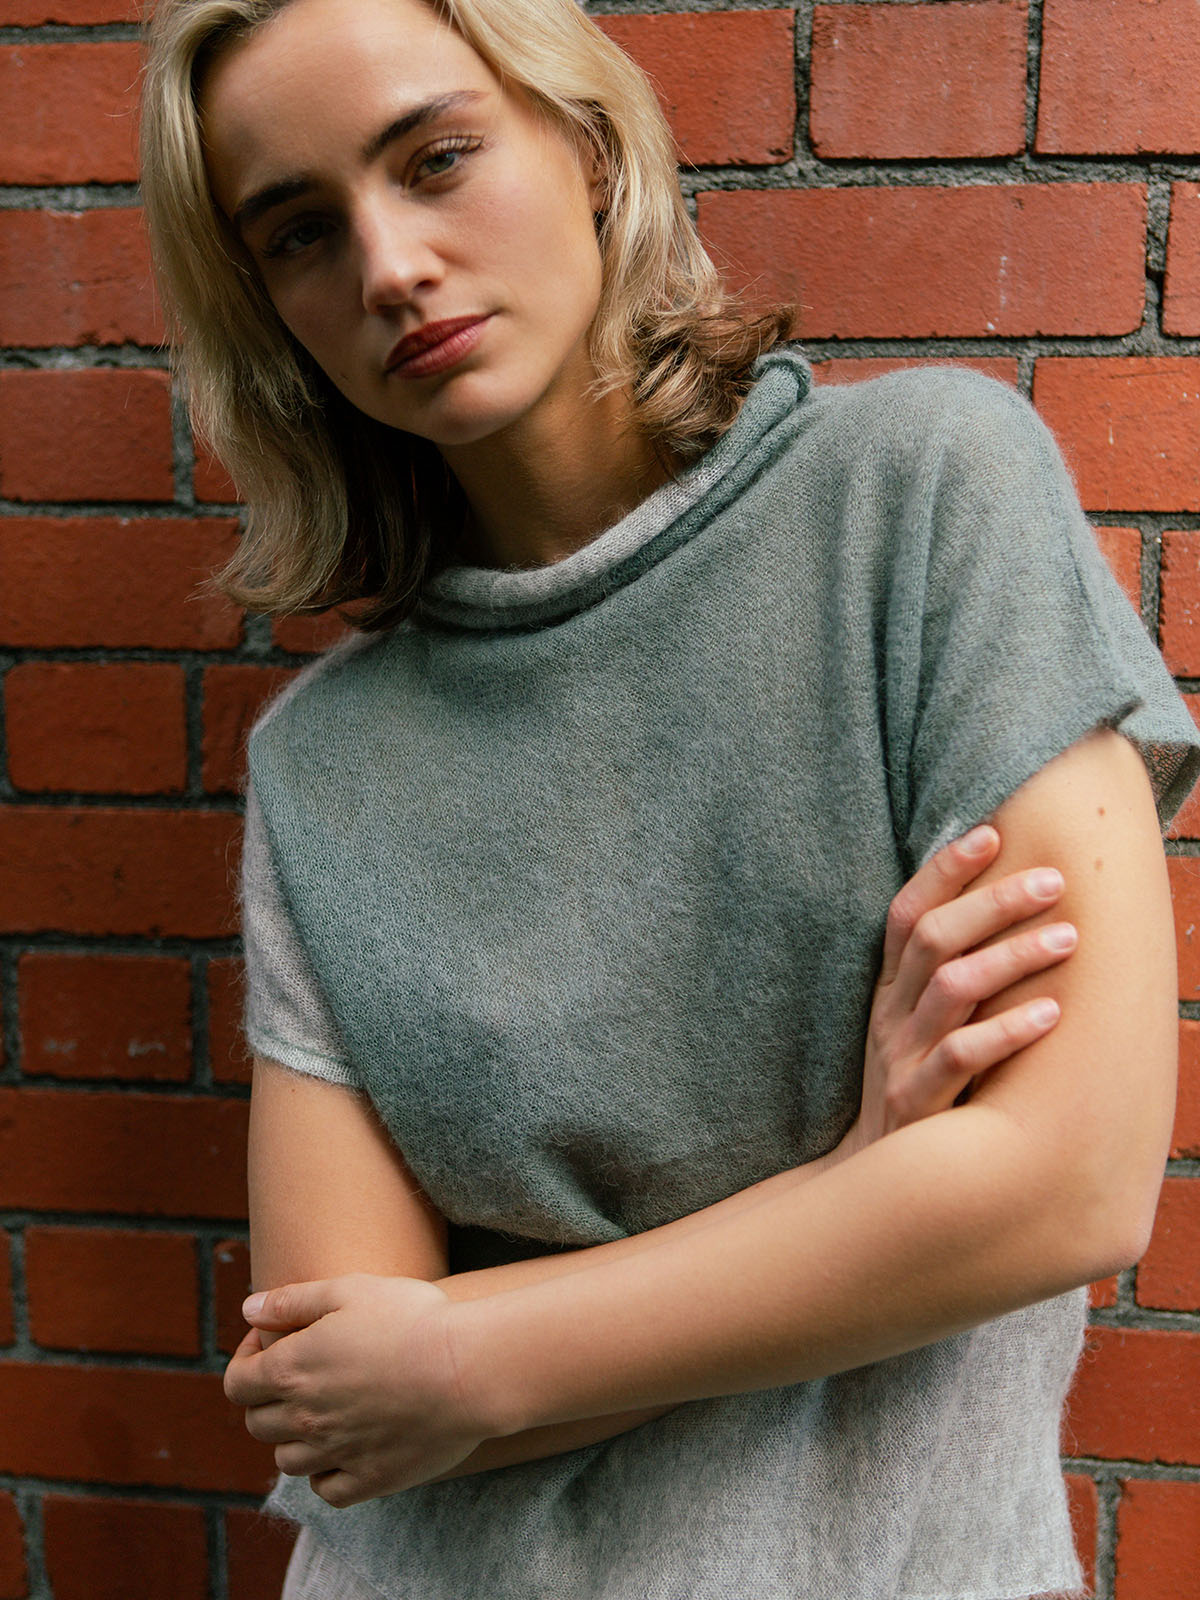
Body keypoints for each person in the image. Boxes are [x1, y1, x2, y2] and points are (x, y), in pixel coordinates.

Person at [138, 0, 1200, 1596]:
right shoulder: (325, 765)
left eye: (436, 157)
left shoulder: (921, 500)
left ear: (586, 141)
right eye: (300, 233)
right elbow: (342, 1404)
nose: (389, 266)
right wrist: (858, 1186)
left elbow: (1068, 1184)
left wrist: (471, 1356)